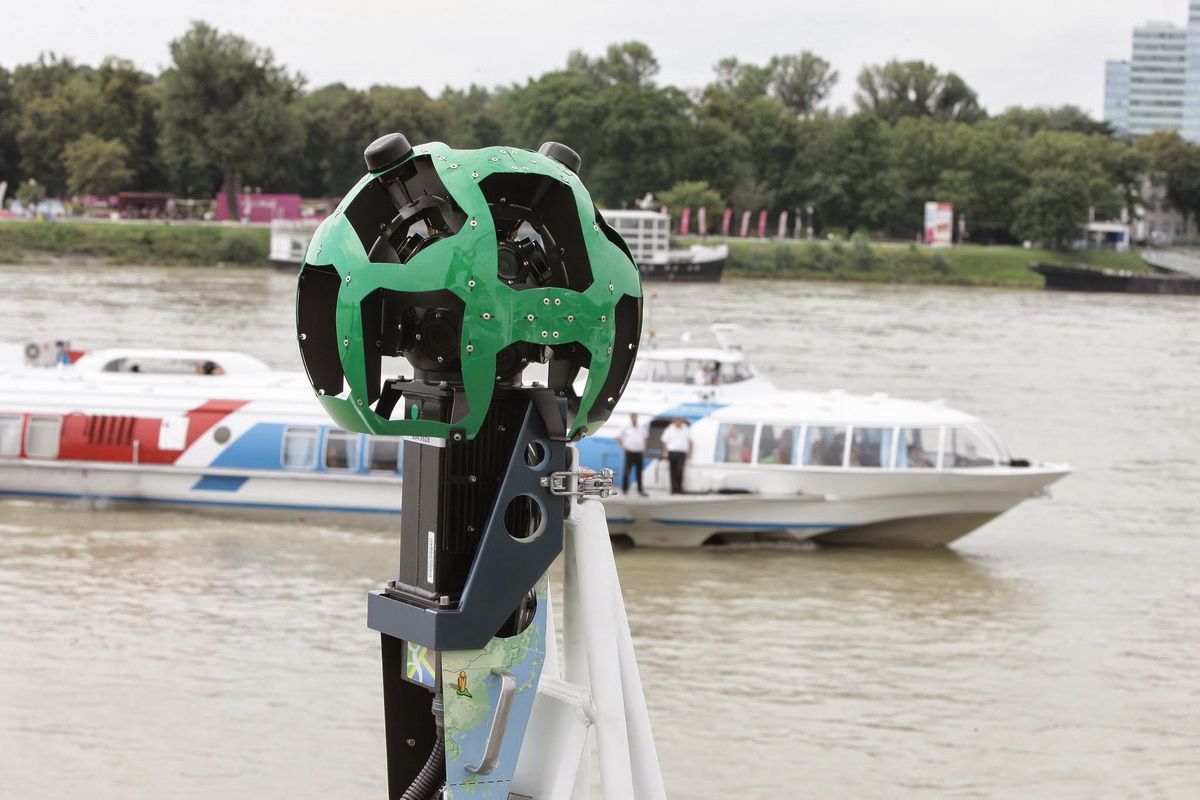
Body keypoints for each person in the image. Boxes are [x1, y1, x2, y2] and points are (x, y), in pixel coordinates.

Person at [617, 413, 648, 496]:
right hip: (629, 452)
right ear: (631, 418)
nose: (634, 419)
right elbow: (617, 437)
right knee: (627, 471)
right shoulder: (626, 427)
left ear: (637, 418)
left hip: (639, 452)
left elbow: (645, 438)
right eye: (633, 418)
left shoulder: (641, 428)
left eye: (635, 418)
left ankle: (640, 490)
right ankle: (624, 489)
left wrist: (644, 447)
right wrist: (623, 447)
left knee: (639, 472)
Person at [660, 416, 692, 494]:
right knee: (672, 471)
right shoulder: (669, 429)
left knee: (680, 470)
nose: (678, 423)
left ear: (682, 422)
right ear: (674, 422)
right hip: (672, 452)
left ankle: (679, 488)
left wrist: (690, 452)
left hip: (682, 452)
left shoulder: (686, 429)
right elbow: (664, 441)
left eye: (680, 421)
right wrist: (665, 452)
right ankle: (673, 489)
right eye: (677, 421)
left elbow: (690, 441)